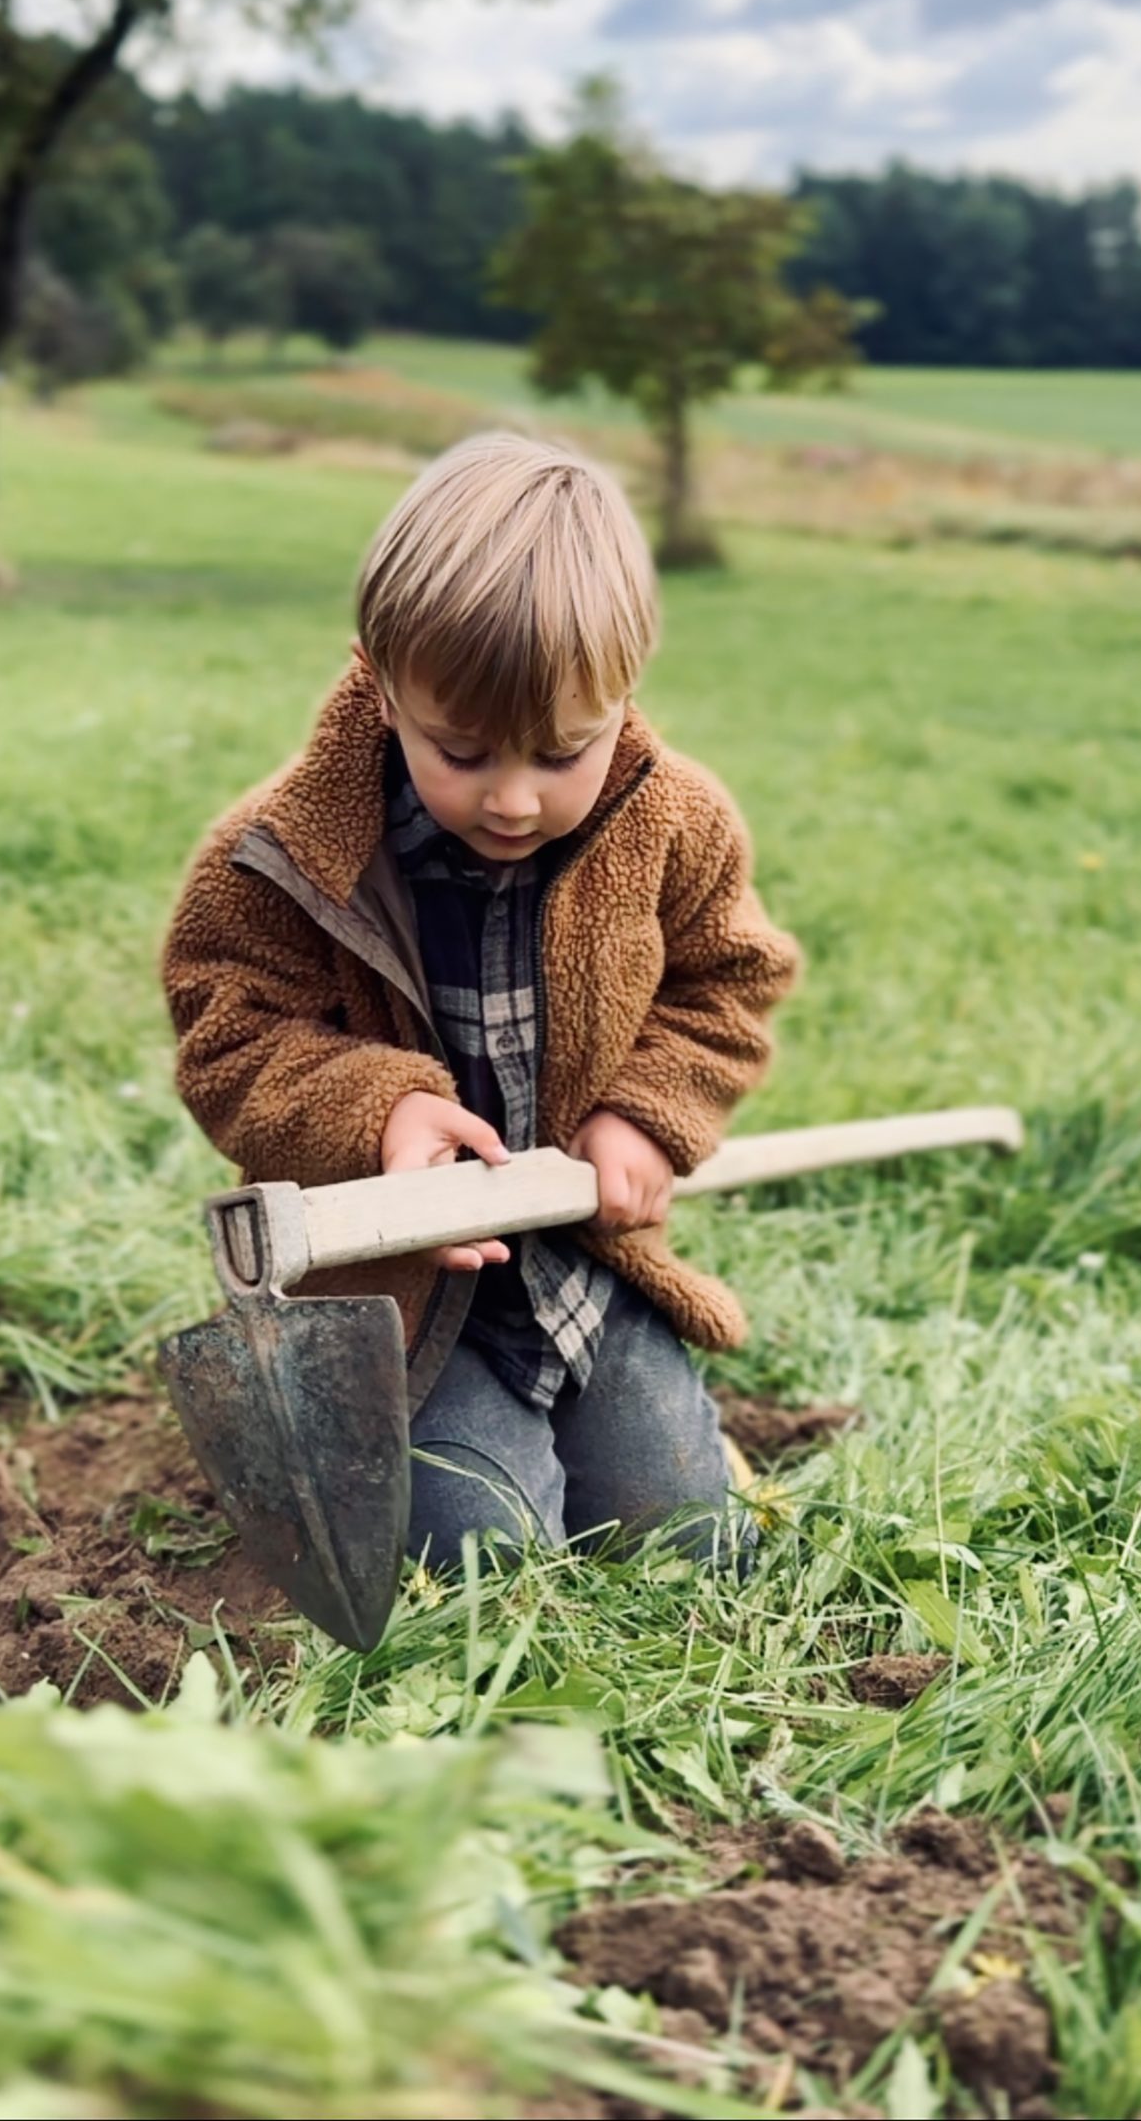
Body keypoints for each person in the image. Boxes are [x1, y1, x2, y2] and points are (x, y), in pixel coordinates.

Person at [162, 433, 800, 1578]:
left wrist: (649, 1111)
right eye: (461, 750)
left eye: (563, 752)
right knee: (485, 1552)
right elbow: (233, 1032)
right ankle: (331, 1420)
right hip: (399, 1301)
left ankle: (648, 1441)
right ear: (381, 675)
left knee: (694, 1544)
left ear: (627, 689)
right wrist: (382, 1116)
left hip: (580, 1267)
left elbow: (730, 982)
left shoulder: (677, 824)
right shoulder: (281, 858)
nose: (513, 797)